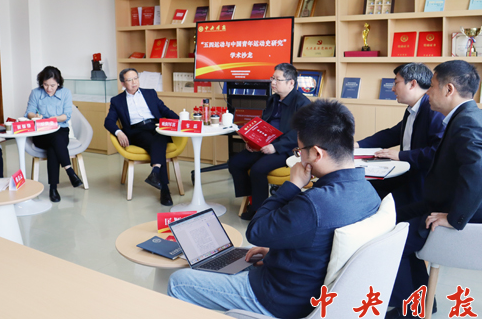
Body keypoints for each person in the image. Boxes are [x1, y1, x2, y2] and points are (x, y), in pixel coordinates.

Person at [168, 100, 380, 318]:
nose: (299, 157)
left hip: (279, 297)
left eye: (299, 151)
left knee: (178, 282)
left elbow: (255, 231)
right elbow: (320, 244)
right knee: (235, 257)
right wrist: (273, 254)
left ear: (317, 154)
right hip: (311, 287)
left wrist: (292, 185)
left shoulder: (314, 204)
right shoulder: (369, 192)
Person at [388, 60, 482, 318]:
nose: (427, 92)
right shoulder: (462, 117)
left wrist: (454, 218)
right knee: (390, 219)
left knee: (391, 241)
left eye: (431, 86)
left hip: (454, 211)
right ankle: (419, 302)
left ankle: (411, 310)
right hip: (436, 202)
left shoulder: (467, 122)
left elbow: (477, 170)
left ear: (449, 89)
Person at [228, 63, 310, 220]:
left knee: (258, 169)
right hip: (266, 143)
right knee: (235, 162)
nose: (273, 82)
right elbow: (264, 123)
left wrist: (275, 147)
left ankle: (260, 212)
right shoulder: (273, 99)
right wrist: (253, 140)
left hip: (287, 149)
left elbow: (300, 133)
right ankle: (251, 200)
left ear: (291, 83)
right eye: (272, 78)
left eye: (277, 79)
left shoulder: (303, 103)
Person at [356, 63, 444, 206]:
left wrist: (399, 155)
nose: (392, 88)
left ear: (412, 84)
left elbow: (436, 152)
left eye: (396, 83)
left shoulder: (433, 110)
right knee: (364, 185)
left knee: (368, 194)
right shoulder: (414, 108)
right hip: (409, 174)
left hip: (422, 185)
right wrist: (357, 144)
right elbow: (393, 134)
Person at [104, 68, 179, 206]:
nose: (134, 82)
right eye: (129, 80)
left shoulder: (150, 93)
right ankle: (165, 190)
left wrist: (182, 121)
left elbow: (165, 110)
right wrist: (118, 132)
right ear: (123, 83)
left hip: (156, 126)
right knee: (156, 142)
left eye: (136, 78)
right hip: (137, 131)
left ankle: (156, 171)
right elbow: (108, 121)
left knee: (160, 136)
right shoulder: (117, 101)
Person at [25, 66, 83, 203]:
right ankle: (69, 171)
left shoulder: (65, 93)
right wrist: (36, 117)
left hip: (60, 130)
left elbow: (66, 116)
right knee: (55, 141)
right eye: (45, 84)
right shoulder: (35, 93)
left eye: (52, 85)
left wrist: (52, 119)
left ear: (58, 83)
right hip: (41, 133)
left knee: (54, 146)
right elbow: (29, 113)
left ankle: (53, 189)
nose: (49, 88)